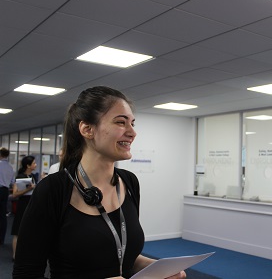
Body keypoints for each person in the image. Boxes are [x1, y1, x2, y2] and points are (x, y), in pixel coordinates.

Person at [13, 86, 186, 279]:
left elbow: (124, 258)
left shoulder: (129, 182)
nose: (132, 133)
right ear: (87, 129)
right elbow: (25, 274)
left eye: (133, 124)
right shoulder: (53, 189)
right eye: (121, 122)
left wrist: (159, 269)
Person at [11, 155, 37, 260]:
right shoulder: (20, 177)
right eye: (34, 163)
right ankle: (15, 255)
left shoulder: (34, 177)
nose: (35, 165)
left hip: (32, 205)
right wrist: (28, 189)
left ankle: (27, 253)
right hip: (22, 205)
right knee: (17, 231)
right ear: (28, 165)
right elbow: (14, 194)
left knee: (30, 230)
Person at [0, 148, 15, 245]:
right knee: (2, 215)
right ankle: (1, 239)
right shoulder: (10, 167)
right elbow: (12, 182)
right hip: (5, 191)